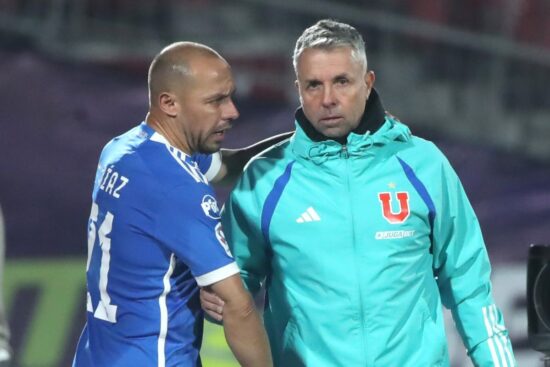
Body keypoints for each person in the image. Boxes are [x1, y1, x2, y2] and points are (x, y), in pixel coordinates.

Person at [201, 19, 517, 366]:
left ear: (367, 83)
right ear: (298, 89)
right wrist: (220, 301)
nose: (328, 99)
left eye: (342, 82)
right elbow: (236, 283)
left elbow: (469, 286)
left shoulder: (424, 165)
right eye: (313, 86)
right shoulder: (265, 179)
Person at [73, 41, 277, 367]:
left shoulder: (121, 150)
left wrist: (299, 139)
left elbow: (229, 165)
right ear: (169, 103)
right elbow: (238, 307)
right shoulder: (177, 187)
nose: (232, 111)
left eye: (230, 96)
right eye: (216, 101)